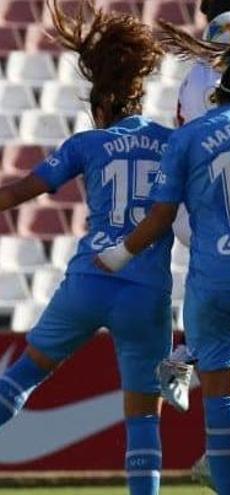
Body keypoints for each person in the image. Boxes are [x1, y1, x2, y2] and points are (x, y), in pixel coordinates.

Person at [97, 22, 230, 495]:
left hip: (219, 276)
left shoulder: (188, 138)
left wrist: (119, 254)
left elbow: (160, 216)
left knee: (221, 391)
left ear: (217, 96)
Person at [0, 2, 170, 494]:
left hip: (90, 279)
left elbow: (18, 193)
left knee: (23, 376)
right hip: (146, 290)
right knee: (143, 416)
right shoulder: (172, 142)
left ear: (100, 109)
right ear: (138, 102)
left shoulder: (87, 143)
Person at [158, 1, 230, 416]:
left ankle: (189, 356)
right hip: (211, 205)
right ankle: (184, 354)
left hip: (205, 203)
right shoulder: (225, 84)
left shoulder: (204, 76)